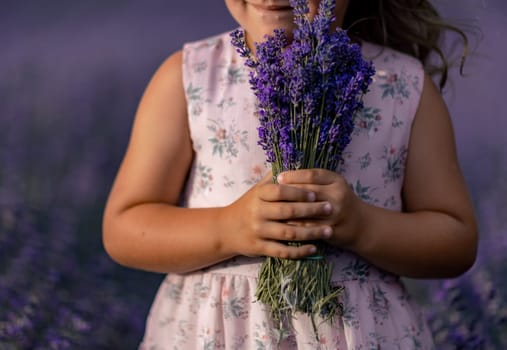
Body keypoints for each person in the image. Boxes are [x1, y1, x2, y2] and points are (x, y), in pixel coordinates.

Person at [102, 0, 478, 348]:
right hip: (218, 334)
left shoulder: (401, 86)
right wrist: (227, 228)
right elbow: (124, 227)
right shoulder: (192, 78)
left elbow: (455, 240)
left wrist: (363, 226)